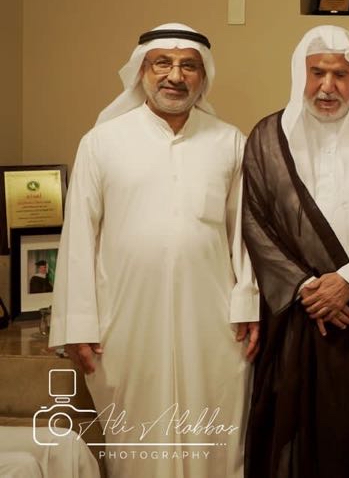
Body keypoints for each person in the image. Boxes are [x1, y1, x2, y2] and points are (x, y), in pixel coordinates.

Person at [49, 23, 259, 478]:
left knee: (216, 437)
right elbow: (79, 237)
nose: (175, 76)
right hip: (126, 321)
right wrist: (77, 323)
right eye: (162, 63)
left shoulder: (230, 141)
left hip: (214, 324)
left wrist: (249, 305)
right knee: (137, 441)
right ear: (141, 70)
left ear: (204, 76)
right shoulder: (102, 143)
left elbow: (245, 234)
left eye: (189, 66)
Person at [241, 26, 349, 477]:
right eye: (317, 73)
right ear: (302, 73)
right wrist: (306, 288)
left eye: (340, 74)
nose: (327, 87)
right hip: (297, 316)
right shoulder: (268, 136)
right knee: (291, 433)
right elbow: (255, 223)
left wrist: (348, 281)